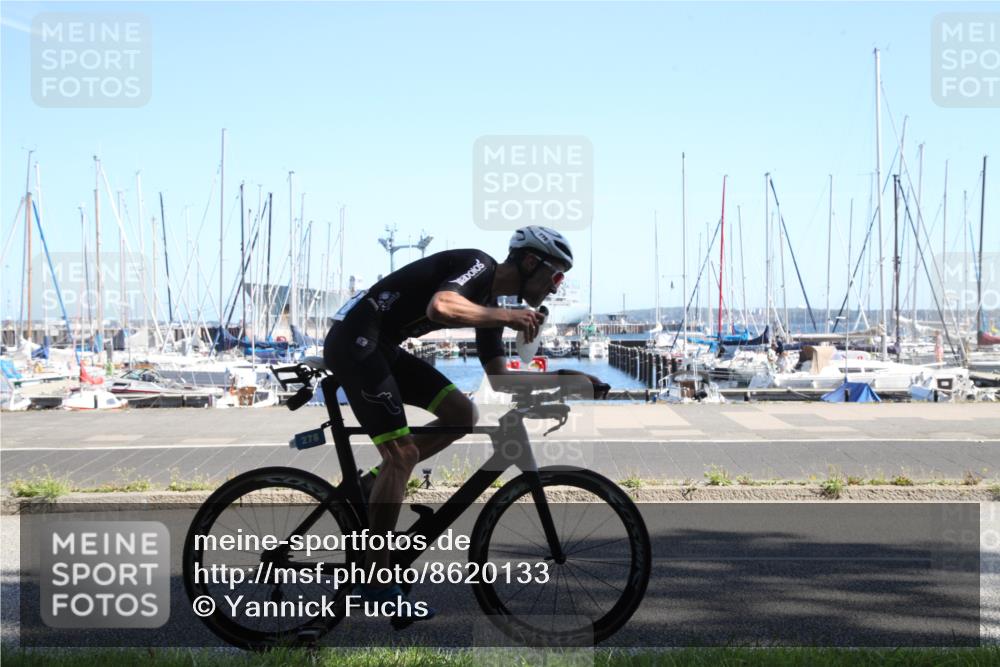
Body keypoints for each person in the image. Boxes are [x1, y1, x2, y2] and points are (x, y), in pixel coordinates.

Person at [322, 225, 605, 622]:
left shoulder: (490, 305)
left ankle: (377, 480)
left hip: (381, 348)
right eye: (556, 275)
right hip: (355, 341)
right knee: (402, 454)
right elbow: (441, 306)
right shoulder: (479, 264)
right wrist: (506, 314)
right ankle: (376, 578)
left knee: (462, 415)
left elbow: (501, 379)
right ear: (529, 261)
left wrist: (564, 380)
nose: (557, 287)